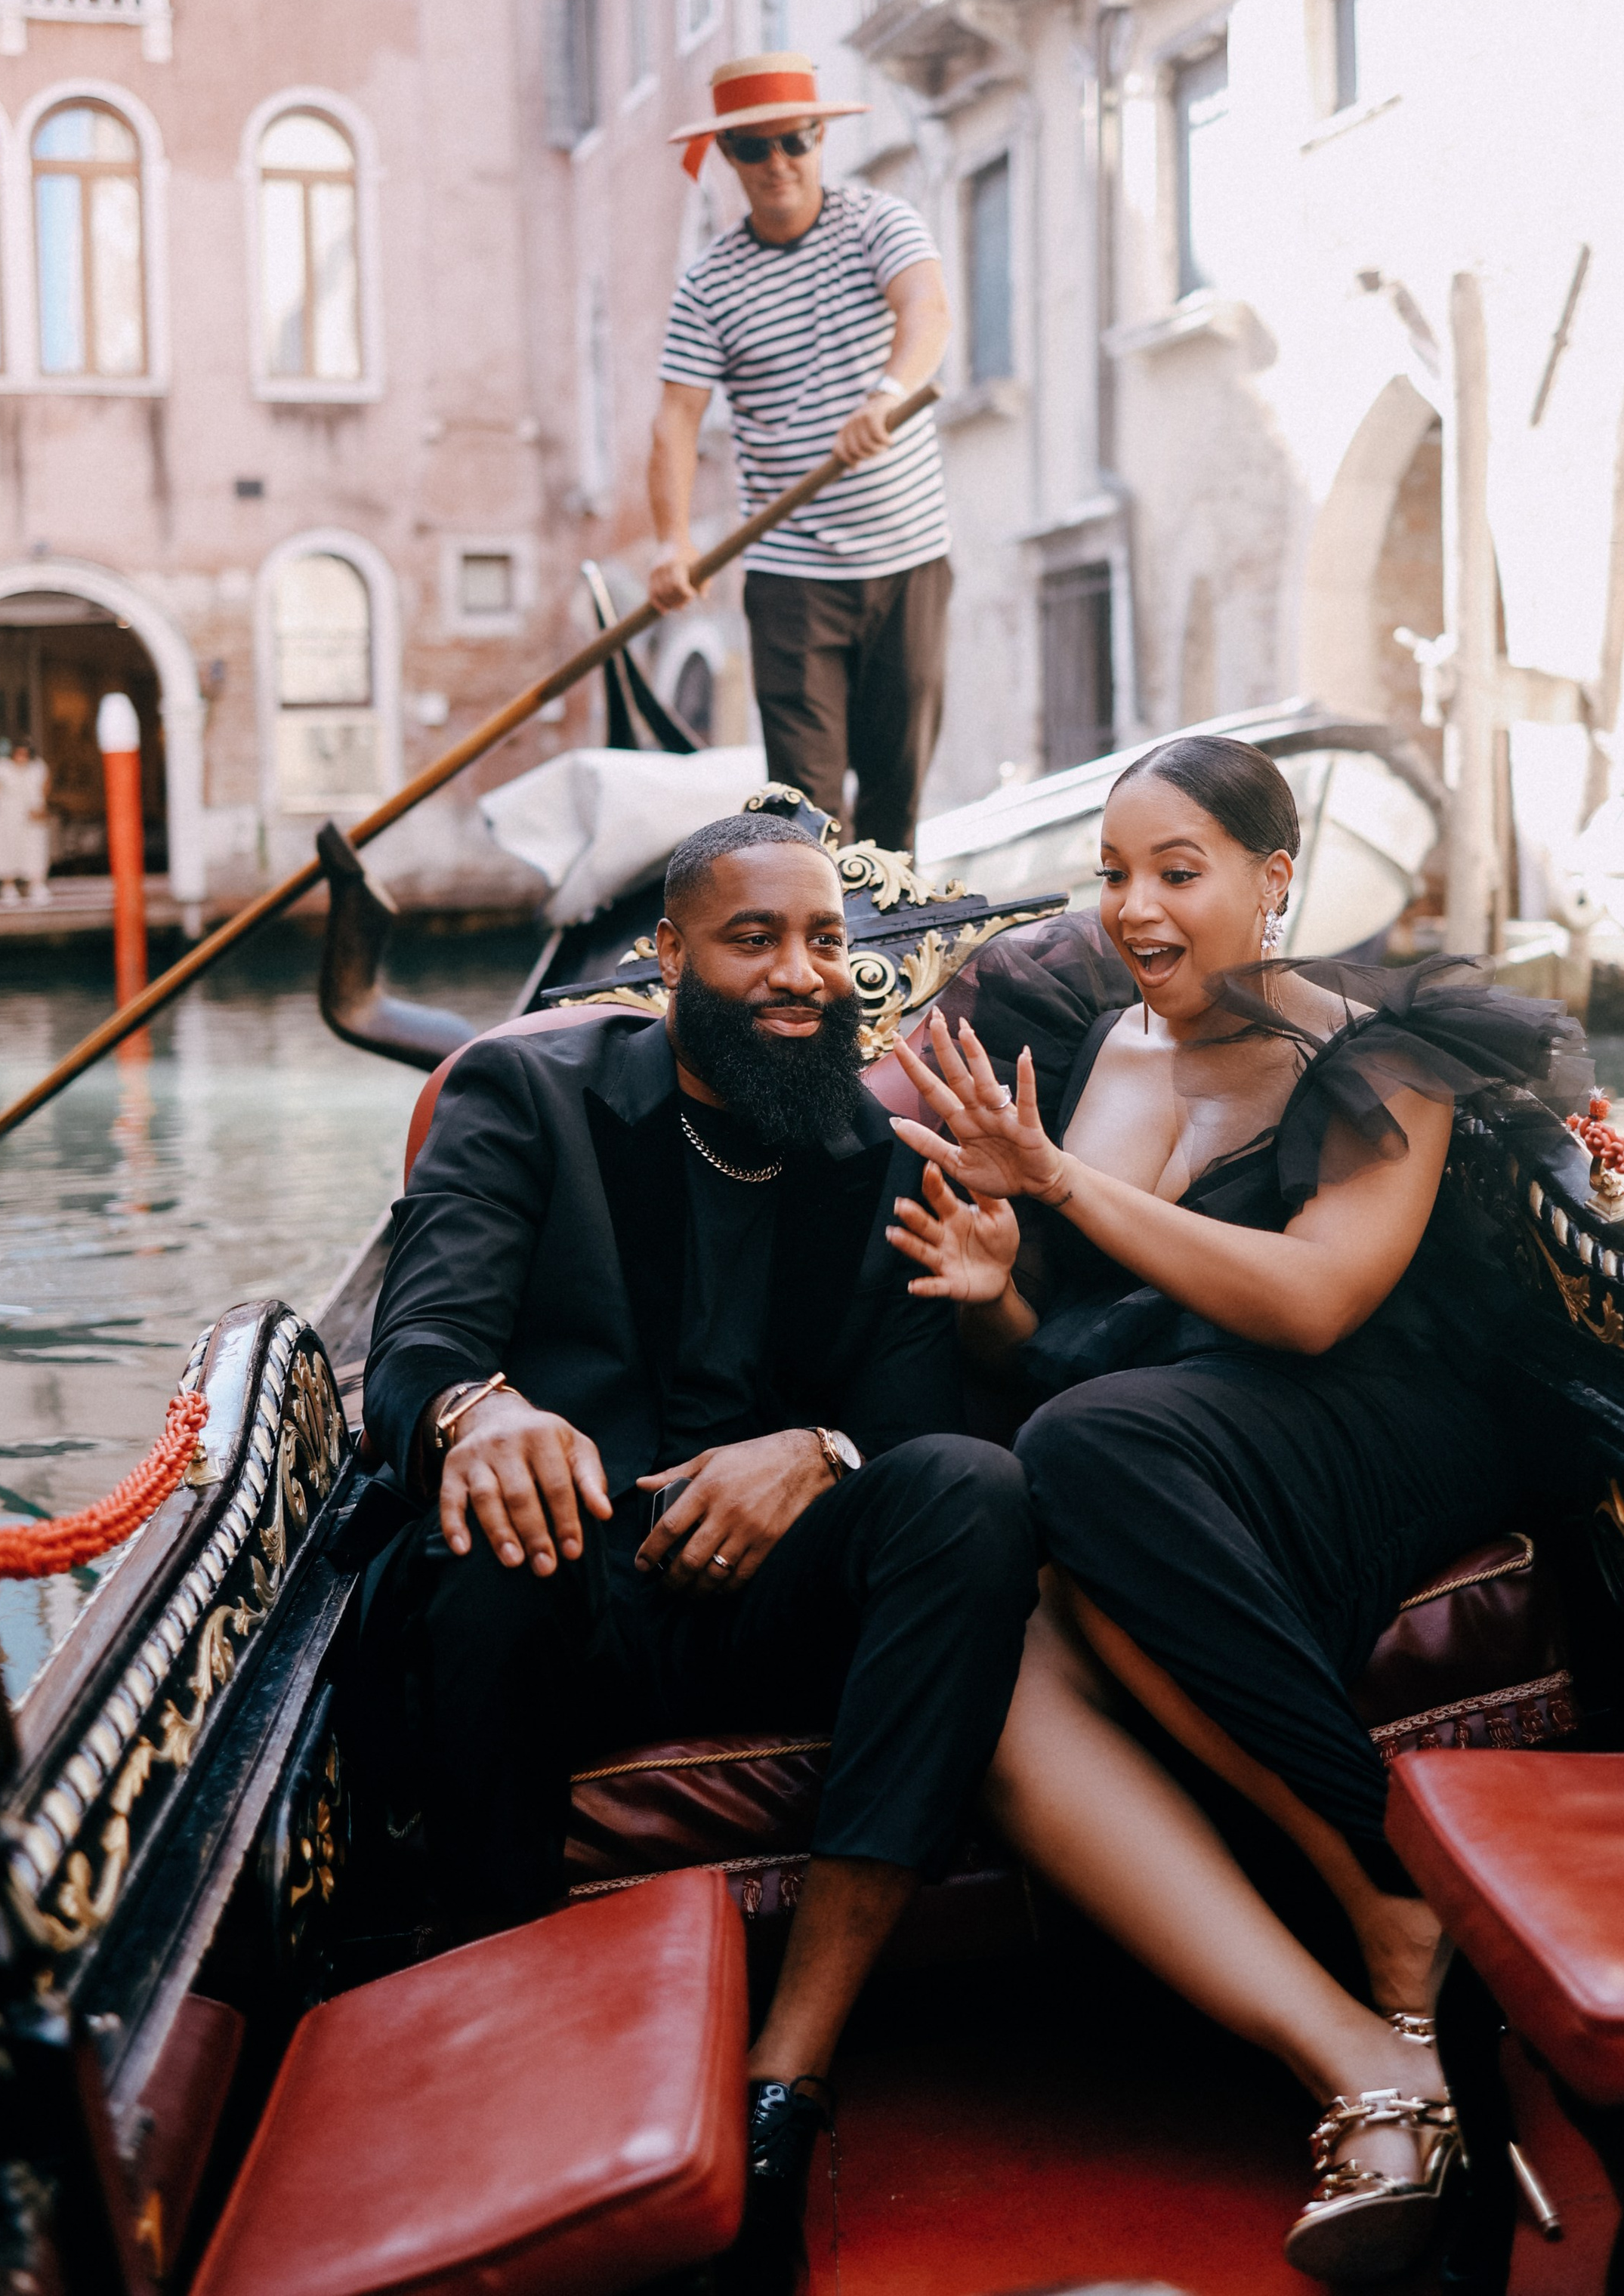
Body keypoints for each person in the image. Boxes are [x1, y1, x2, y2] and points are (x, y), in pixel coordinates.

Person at [883, 736, 1589, 2286]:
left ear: (1272, 880)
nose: (1134, 909)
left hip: (1374, 1421)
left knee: (1080, 1451)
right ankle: (1355, 2056)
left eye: (1176, 872)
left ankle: (1382, 1897)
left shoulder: (1374, 1055)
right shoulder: (1094, 1054)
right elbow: (1059, 1342)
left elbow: (1317, 1301)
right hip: (1151, 1433)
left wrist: (1060, 1197)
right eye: (1114, 875)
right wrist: (997, 1293)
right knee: (990, 1652)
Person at [355, 810, 1036, 2293]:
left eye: (825, 944)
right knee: (495, 1541)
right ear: (669, 955)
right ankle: (507, 2041)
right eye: (754, 940)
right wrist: (484, 1414)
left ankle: (788, 2079)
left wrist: (818, 1456)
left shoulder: (878, 1150)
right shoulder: (524, 1098)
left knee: (971, 1497)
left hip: (763, 1591)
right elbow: (413, 1349)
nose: (801, 974)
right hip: (564, 1577)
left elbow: (911, 1428)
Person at [650, 54, 953, 853]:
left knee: (897, 786)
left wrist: (886, 394)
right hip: (791, 575)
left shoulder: (881, 222)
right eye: (754, 148)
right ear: (728, 157)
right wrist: (673, 540)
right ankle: (823, 964)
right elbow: (677, 421)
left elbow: (926, 309)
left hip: (909, 556)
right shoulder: (708, 284)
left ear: (821, 137)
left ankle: (895, 959)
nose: (778, 161)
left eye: (795, 139)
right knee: (807, 809)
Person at [0, 739, 51, 906]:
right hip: (8, 814)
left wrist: (42, 803)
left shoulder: (37, 767)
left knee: (34, 848)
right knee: (7, 847)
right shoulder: (2, 766)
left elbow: (45, 783)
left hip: (32, 811)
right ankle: (8, 886)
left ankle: (36, 885)